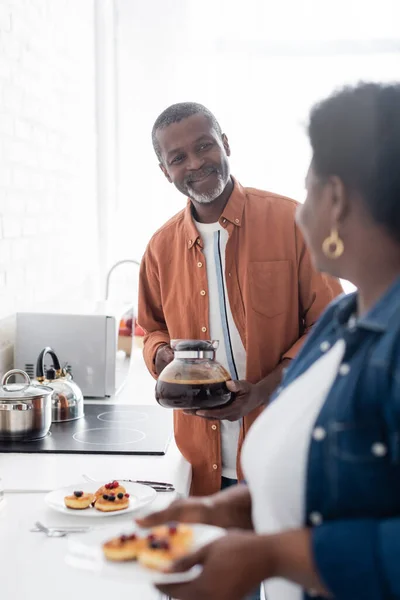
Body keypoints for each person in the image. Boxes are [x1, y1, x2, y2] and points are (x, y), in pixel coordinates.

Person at [137, 82, 400, 600]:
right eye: (178, 157)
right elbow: (334, 478)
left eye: (312, 185)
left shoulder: (374, 333)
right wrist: (226, 508)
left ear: (340, 199)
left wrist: (269, 553)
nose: (300, 209)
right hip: (213, 472)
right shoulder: (345, 322)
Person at [138, 102, 342, 496]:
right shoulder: (160, 248)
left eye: (204, 146)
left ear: (225, 144)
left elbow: (331, 327)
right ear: (166, 172)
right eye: (178, 158)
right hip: (201, 466)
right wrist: (164, 356)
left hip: (287, 455)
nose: (196, 163)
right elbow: (151, 330)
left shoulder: (293, 222)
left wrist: (262, 391)